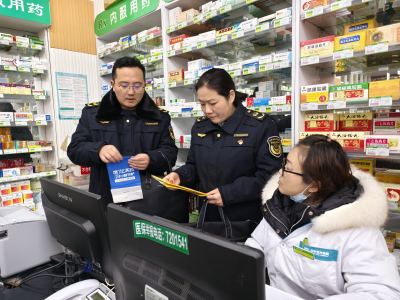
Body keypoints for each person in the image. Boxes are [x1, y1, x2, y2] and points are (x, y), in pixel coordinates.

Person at [245, 135, 400, 300]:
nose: (280, 172)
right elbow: (256, 247)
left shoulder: (357, 229)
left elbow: (382, 294)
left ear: (313, 185)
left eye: (288, 168)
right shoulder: (278, 205)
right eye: (284, 163)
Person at [164, 68, 283, 223]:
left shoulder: (260, 126)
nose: (207, 110)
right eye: (202, 104)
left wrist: (229, 193)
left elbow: (271, 176)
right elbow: (194, 165)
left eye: (213, 103)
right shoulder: (200, 128)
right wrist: (180, 176)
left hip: (246, 220)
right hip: (209, 217)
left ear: (231, 96)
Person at [67, 56, 178, 212]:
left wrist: (151, 159)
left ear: (145, 85)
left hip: (149, 203)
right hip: (105, 202)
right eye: (124, 85)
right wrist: (99, 150)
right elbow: (74, 150)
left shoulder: (160, 118)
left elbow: (170, 154)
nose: (131, 92)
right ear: (113, 85)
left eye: (137, 86)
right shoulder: (92, 115)